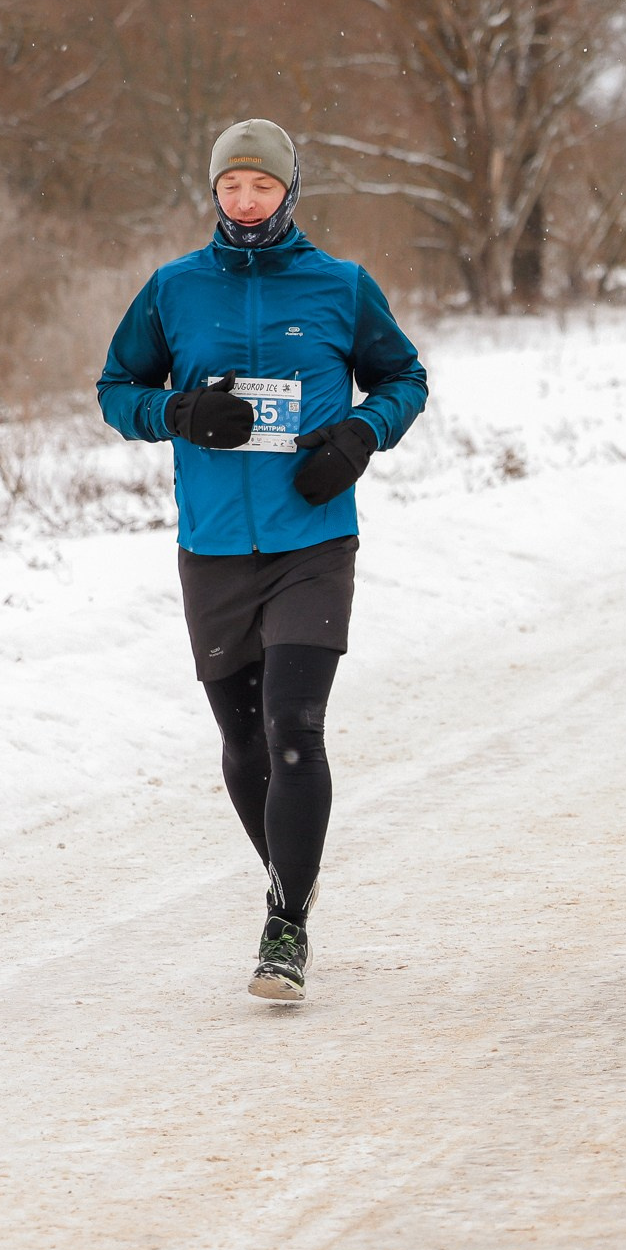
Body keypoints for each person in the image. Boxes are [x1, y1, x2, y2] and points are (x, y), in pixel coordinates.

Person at [97, 119, 428, 1002]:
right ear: (214, 192)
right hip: (212, 549)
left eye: (262, 186)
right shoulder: (174, 290)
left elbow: (406, 380)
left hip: (311, 541)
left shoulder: (340, 287)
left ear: (290, 191)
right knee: (243, 743)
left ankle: (286, 923)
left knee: (293, 730)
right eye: (232, 186)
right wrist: (178, 414)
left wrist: (359, 434)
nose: (246, 201)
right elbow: (114, 390)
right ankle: (295, 872)